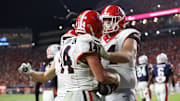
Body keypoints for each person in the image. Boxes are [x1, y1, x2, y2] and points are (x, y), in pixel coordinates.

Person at [18, 10, 120, 101]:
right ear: (95, 27)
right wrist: (115, 77)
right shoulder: (87, 41)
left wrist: (31, 72)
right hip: (84, 94)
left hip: (68, 96)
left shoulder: (61, 52)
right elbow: (101, 77)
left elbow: (45, 77)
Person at [99, 5, 141, 101]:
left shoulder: (129, 34)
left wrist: (105, 54)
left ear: (120, 20)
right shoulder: (100, 39)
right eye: (105, 20)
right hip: (103, 90)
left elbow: (128, 54)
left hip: (122, 89)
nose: (107, 23)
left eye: (110, 19)